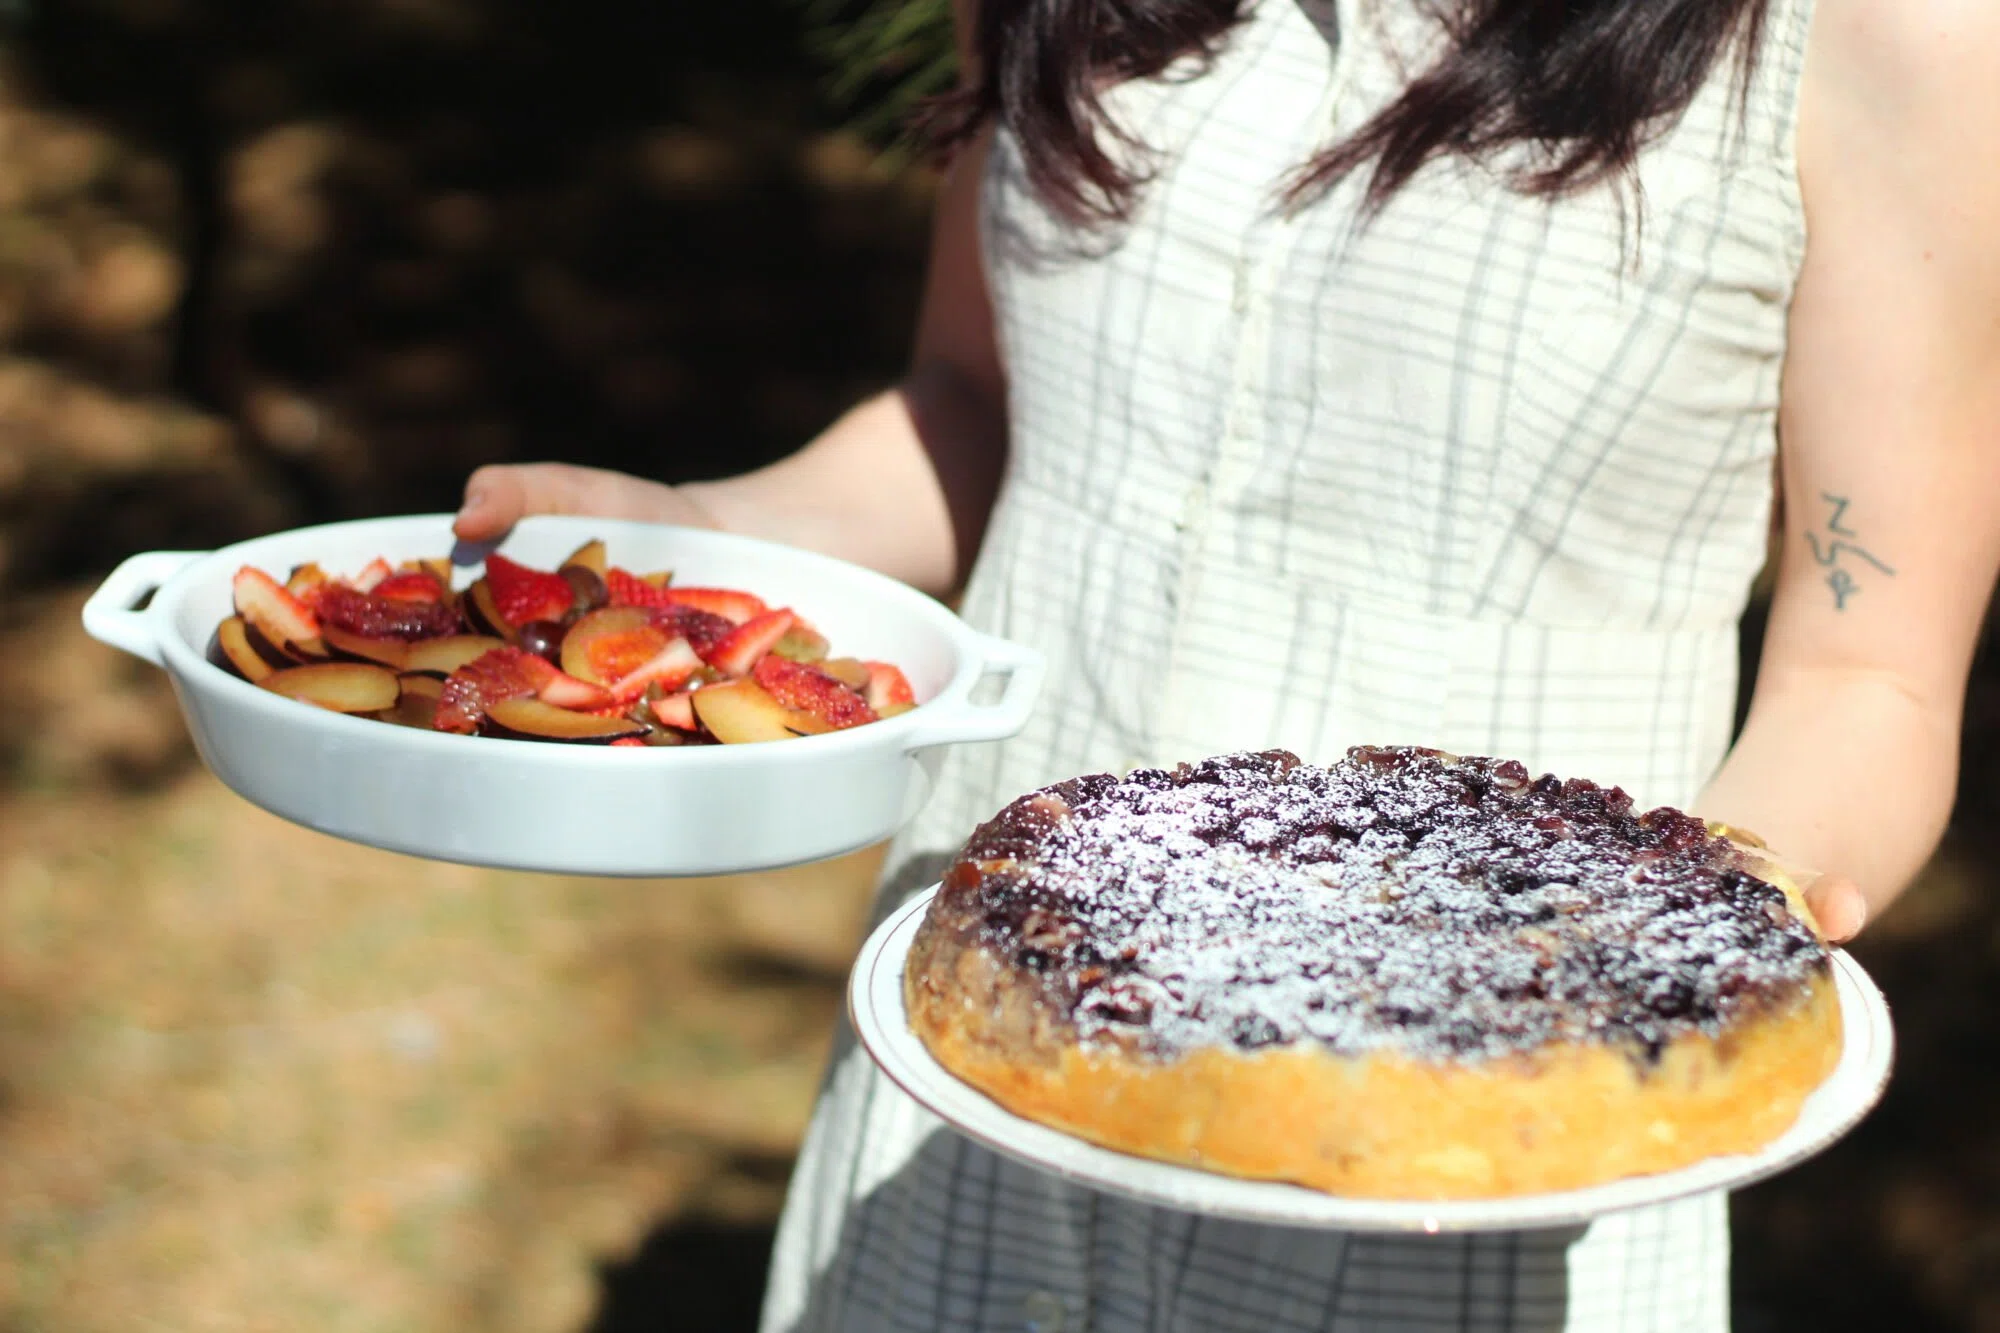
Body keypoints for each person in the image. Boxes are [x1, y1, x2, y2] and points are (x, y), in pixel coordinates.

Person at [453, 0, 2000, 1326]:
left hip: (1480, 1190)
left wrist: (1673, 950)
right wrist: (701, 535)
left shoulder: (1880, 37)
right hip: (980, 1083)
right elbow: (971, 410)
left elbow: (1870, 673)